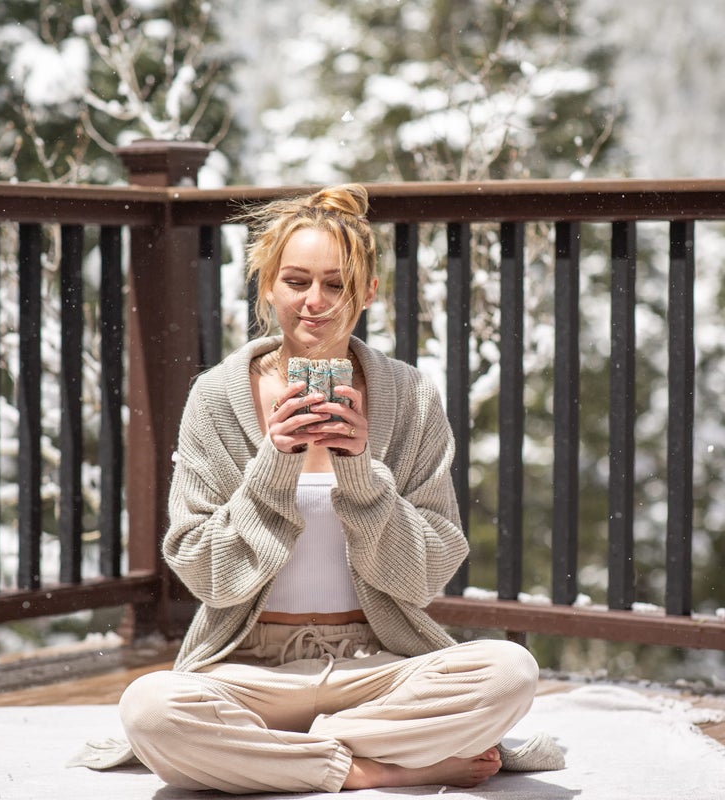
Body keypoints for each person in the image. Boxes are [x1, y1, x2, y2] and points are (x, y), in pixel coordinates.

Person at [117, 183, 542, 794]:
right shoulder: (217, 397)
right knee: (150, 710)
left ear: (368, 293)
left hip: (377, 664)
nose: (315, 302)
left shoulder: (410, 396)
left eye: (337, 284)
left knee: (510, 672)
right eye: (295, 281)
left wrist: (363, 474)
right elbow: (204, 573)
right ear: (267, 286)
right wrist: (274, 463)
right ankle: (372, 765)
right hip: (250, 666)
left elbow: (428, 574)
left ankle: (274, 758)